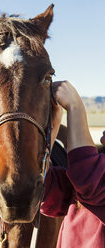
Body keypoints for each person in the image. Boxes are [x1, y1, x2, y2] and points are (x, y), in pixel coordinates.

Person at [40, 81, 105, 248]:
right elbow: (43, 188)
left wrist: (76, 107)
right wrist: (53, 125)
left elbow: (88, 178)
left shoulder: (95, 174)